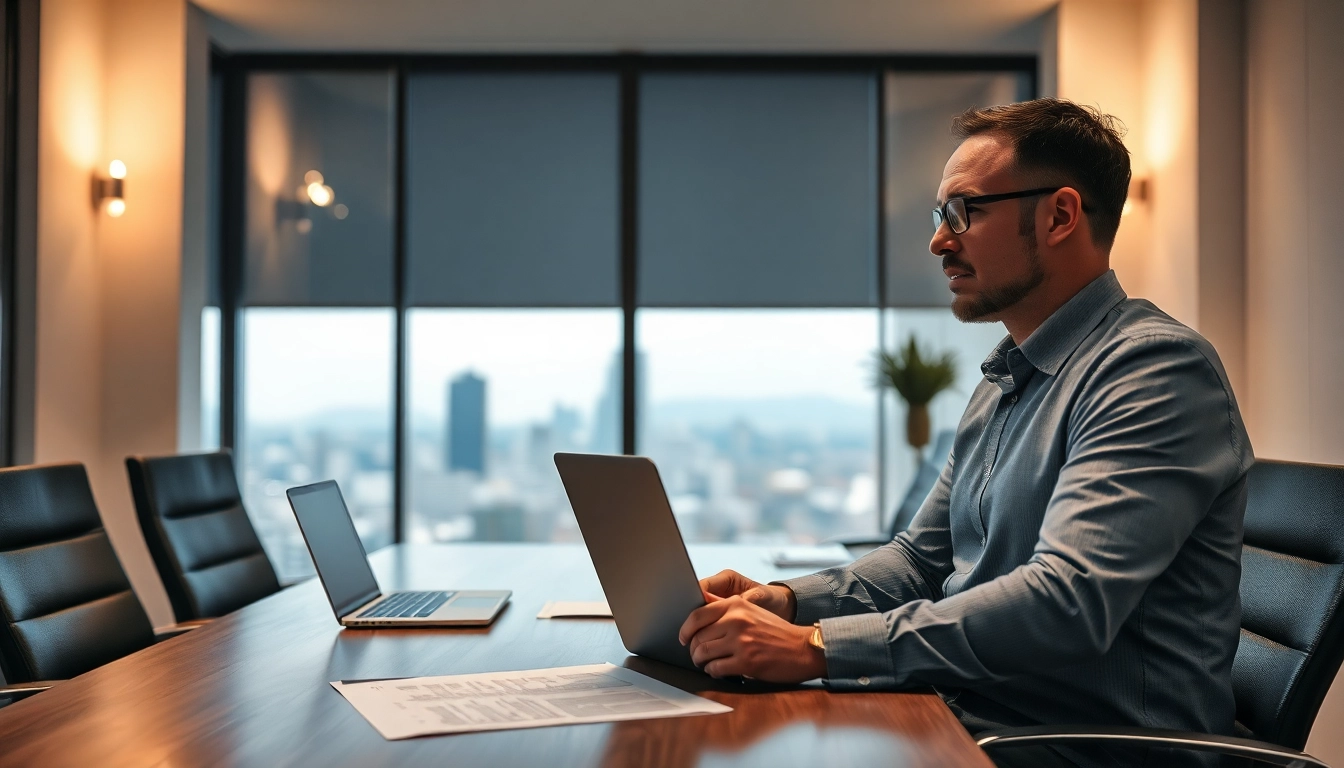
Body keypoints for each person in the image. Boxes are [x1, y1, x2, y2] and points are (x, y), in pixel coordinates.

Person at [677, 98, 1252, 767]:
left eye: (964, 212)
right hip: (974, 714)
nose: (939, 241)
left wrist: (818, 648)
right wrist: (786, 603)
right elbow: (921, 561)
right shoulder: (1007, 376)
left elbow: (1068, 602)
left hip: (1090, 747)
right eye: (940, 216)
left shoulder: (1153, 370)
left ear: (1060, 216)